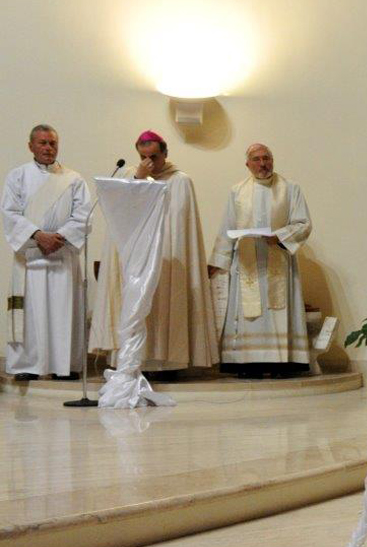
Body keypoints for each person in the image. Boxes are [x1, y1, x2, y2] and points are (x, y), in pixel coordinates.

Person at [89, 130, 218, 374]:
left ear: (165, 154)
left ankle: (168, 364)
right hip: (136, 258)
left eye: (154, 157)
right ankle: (132, 362)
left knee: (168, 302)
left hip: (168, 259)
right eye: (143, 157)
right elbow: (121, 214)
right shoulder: (130, 176)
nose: (148, 162)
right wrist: (139, 178)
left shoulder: (180, 181)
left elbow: (182, 228)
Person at [207, 144, 313, 376]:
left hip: (279, 260)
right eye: (256, 159)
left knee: (278, 311)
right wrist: (218, 261)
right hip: (247, 263)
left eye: (266, 158)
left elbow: (303, 223)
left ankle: (282, 364)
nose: (262, 163)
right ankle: (249, 364)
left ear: (272, 160)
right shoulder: (237, 191)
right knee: (249, 314)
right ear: (248, 164)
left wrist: (280, 236)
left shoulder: (290, 188)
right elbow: (227, 227)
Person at [3, 125, 90, 379]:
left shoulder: (73, 179)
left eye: (53, 143)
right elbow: (9, 212)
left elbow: (83, 215)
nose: (48, 148)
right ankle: (28, 366)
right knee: (31, 314)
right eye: (42, 143)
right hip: (30, 255)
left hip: (62, 255)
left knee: (63, 312)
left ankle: (65, 366)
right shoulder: (17, 176)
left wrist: (58, 238)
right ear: (30, 146)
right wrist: (38, 235)